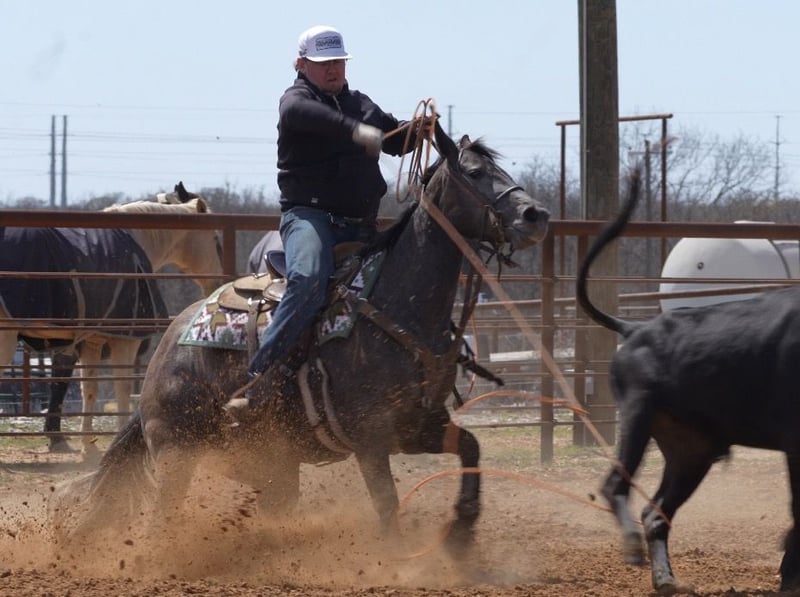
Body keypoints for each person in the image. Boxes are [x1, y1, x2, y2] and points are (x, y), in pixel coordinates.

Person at [225, 25, 426, 415]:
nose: (333, 69)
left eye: (338, 62)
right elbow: (306, 115)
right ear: (302, 65)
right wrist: (358, 131)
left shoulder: (361, 104)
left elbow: (396, 140)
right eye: (324, 63)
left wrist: (420, 131)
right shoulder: (295, 101)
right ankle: (260, 379)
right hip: (310, 218)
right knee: (309, 279)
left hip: (362, 223)